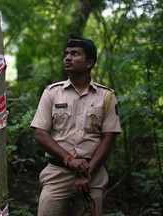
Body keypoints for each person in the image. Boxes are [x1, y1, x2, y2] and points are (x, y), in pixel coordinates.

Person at [30, 34, 121, 216]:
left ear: (89, 63)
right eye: (66, 54)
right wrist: (69, 160)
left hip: (92, 176)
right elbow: (40, 133)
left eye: (75, 54)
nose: (67, 58)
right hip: (57, 174)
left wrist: (87, 173)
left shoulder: (106, 96)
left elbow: (109, 138)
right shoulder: (52, 92)